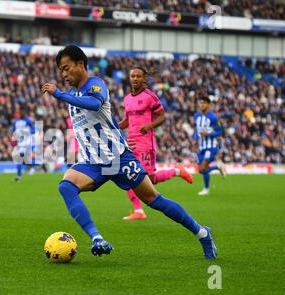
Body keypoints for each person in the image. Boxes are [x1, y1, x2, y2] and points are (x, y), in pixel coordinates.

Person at [42, 45, 217, 259]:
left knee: (154, 200)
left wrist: (58, 94)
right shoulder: (71, 94)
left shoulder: (96, 85)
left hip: (118, 159)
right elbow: (108, 121)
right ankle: (97, 238)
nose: (64, 74)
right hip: (93, 162)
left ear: (81, 64)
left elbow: (96, 105)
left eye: (67, 68)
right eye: (61, 70)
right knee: (66, 186)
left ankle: (202, 233)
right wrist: (121, 136)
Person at [118, 66, 193, 220]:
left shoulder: (149, 97)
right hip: (131, 143)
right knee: (128, 175)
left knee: (149, 180)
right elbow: (127, 120)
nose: (135, 79)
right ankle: (138, 211)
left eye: (138, 76)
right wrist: (114, 128)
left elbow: (162, 116)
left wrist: (150, 126)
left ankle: (177, 171)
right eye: (133, 76)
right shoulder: (127, 99)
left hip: (146, 143)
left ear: (144, 79)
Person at [193, 97, 225, 196]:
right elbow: (196, 130)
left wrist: (208, 134)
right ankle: (217, 167)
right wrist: (195, 140)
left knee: (204, 166)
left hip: (211, 146)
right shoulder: (196, 116)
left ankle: (206, 189)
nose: (201, 105)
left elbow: (220, 131)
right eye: (200, 103)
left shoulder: (213, 117)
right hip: (201, 146)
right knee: (201, 170)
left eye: (204, 103)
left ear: (208, 104)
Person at [12, 110, 35, 181]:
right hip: (20, 143)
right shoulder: (16, 121)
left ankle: (31, 167)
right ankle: (19, 176)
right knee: (19, 159)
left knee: (21, 156)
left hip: (27, 142)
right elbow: (14, 131)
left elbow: (33, 130)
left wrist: (26, 132)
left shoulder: (28, 121)